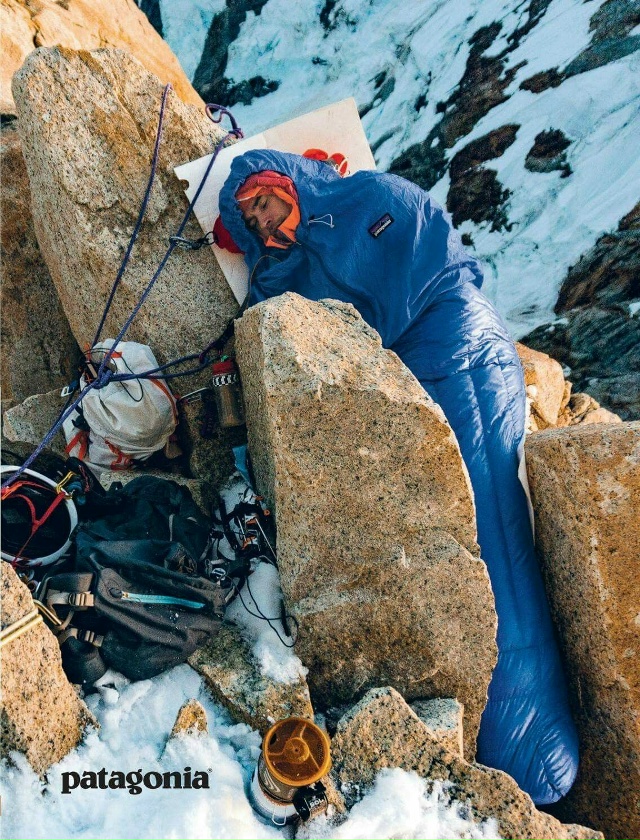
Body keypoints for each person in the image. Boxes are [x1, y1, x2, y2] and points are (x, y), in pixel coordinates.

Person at [218, 149, 579, 804]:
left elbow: (435, 267)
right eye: (250, 223)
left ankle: (529, 721)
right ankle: (504, 715)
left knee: (492, 515)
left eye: (262, 206)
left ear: (282, 185)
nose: (263, 226)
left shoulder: (368, 198)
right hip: (403, 380)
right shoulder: (276, 273)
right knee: (457, 533)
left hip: (455, 344)